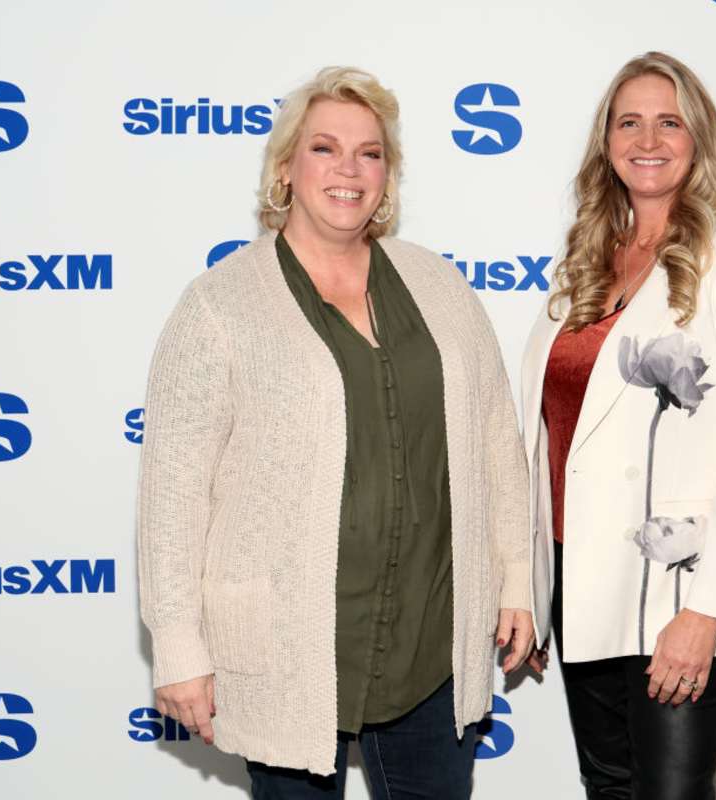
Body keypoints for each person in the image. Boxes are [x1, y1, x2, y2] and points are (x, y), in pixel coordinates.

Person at [137, 66, 534, 799]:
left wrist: (517, 579)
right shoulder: (218, 306)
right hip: (288, 647)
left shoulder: (440, 287)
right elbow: (174, 497)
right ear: (285, 169)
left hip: (429, 643)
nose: (349, 170)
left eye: (370, 152)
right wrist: (179, 650)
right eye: (325, 148)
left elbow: (495, 443)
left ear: (389, 173)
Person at [519, 52, 716, 799]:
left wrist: (707, 612)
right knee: (607, 787)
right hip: (579, 585)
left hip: (673, 592)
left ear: (696, 140)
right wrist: (530, 585)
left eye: (669, 122)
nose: (648, 139)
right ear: (606, 143)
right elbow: (549, 437)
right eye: (629, 122)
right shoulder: (582, 264)